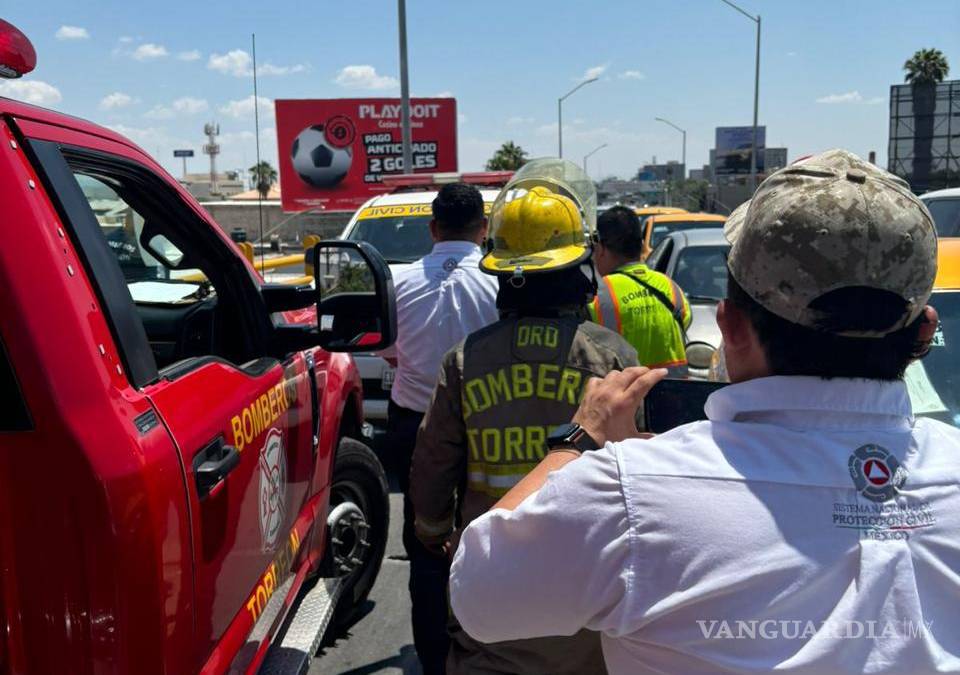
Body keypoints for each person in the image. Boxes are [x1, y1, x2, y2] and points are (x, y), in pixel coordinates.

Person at [448, 149, 959, 674]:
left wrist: (581, 439)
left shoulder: (632, 491)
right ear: (925, 330)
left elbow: (475, 595)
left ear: (730, 327)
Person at [410, 159, 639, 674]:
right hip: (586, 608)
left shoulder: (465, 361)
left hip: (492, 603)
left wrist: (434, 532)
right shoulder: (613, 359)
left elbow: (433, 468)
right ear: (578, 268)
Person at [380, 182, 499, 675]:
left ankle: (433, 659)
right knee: (491, 536)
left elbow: (389, 352)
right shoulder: (498, 282)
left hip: (414, 425)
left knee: (424, 546)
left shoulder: (397, 282)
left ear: (432, 228)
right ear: (484, 228)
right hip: (483, 424)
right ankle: (484, 647)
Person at [590, 206, 691, 372]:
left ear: (600, 249)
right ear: (642, 246)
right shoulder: (671, 288)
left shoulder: (597, 296)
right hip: (675, 387)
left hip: (626, 388)